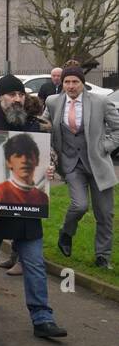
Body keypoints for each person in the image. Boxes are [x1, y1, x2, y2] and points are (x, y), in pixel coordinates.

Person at [0, 74, 67, 339]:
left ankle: (42, 317)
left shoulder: (31, 126)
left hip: (27, 207)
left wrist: (48, 170)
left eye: (20, 95)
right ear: (0, 97)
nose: (17, 99)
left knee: (33, 263)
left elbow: (42, 161)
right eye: (12, 95)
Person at [46, 66, 119, 269]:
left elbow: (117, 128)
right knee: (79, 205)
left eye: (75, 82)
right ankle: (66, 233)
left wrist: (105, 147)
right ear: (62, 83)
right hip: (71, 164)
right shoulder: (53, 102)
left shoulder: (100, 102)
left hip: (98, 164)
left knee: (104, 214)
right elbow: (44, 126)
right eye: (67, 82)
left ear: (82, 83)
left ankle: (103, 256)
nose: (71, 86)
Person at [0, 133, 50, 209]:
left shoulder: (42, 198)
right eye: (18, 156)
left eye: (29, 155)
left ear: (37, 160)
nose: (24, 160)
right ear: (8, 163)